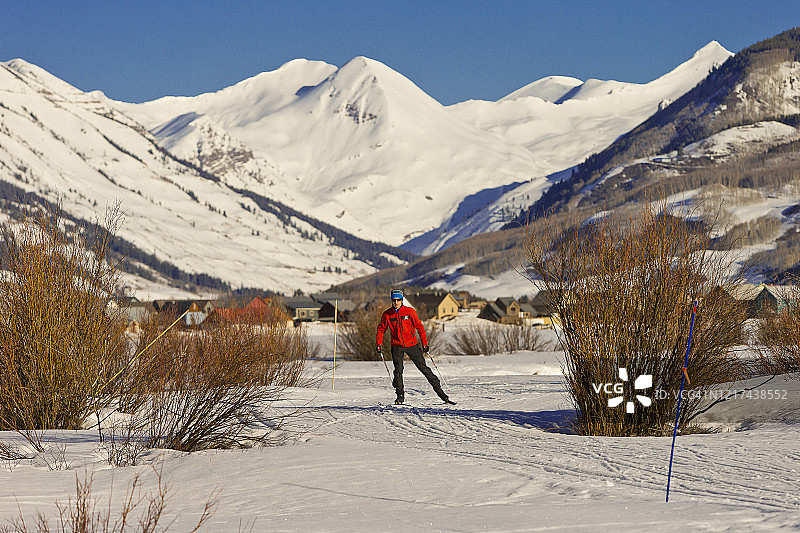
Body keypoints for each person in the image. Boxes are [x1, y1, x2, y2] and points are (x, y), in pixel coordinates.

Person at [376, 289, 455, 405]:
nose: (396, 302)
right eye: (394, 300)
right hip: (397, 346)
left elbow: (420, 327)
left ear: (402, 300)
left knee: (424, 368)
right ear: (391, 301)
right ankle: (400, 396)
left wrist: (424, 343)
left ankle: (441, 393)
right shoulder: (387, 314)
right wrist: (379, 343)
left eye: (398, 300)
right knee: (398, 371)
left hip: (412, 345)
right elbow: (381, 329)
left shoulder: (409, 312)